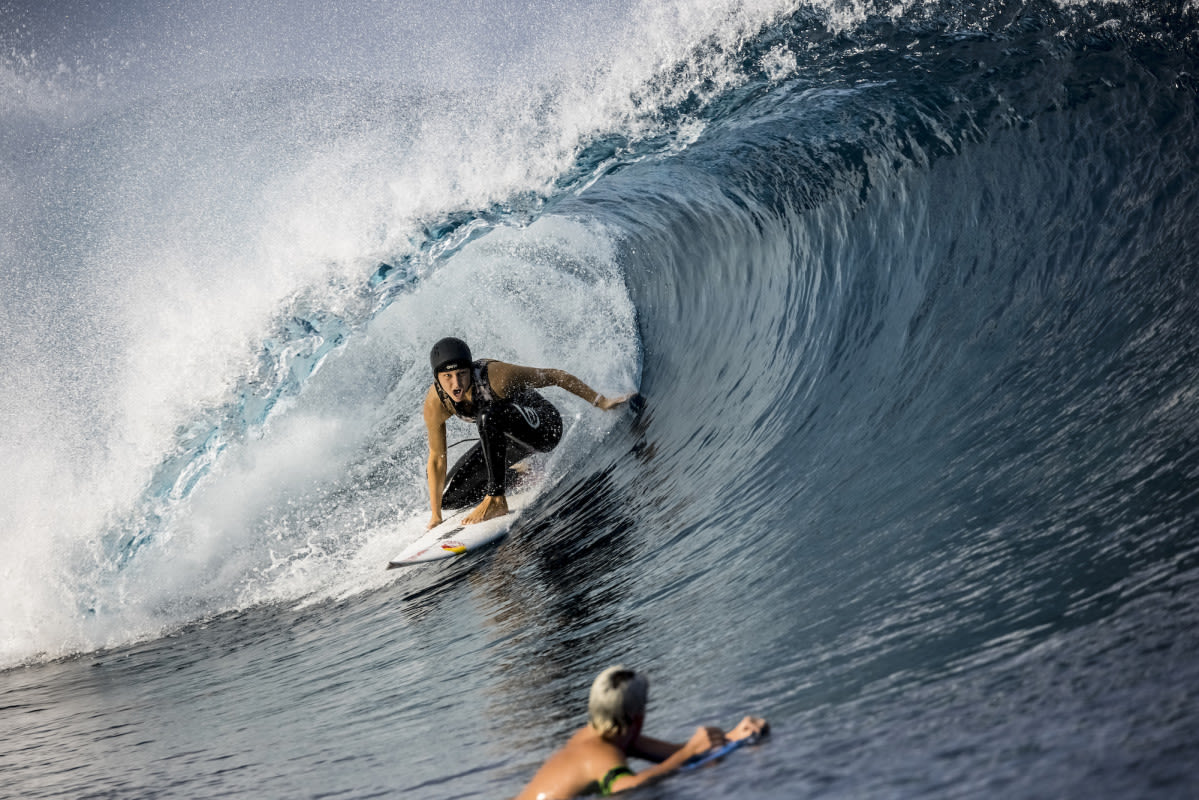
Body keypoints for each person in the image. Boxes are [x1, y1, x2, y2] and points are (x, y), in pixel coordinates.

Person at [424, 336, 638, 528]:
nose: (456, 384)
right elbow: (436, 459)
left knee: (487, 416)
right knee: (451, 498)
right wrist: (436, 516)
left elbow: (554, 376)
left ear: (470, 370)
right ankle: (520, 474)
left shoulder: (496, 377)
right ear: (437, 379)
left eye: (462, 374)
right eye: (448, 376)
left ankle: (497, 499)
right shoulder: (437, 403)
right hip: (505, 441)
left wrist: (601, 402)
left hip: (543, 428)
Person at [514, 665, 768, 799]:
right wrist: (689, 752)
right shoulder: (601, 754)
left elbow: (677, 754)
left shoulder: (607, 734)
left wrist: (734, 736)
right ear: (638, 717)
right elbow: (627, 787)